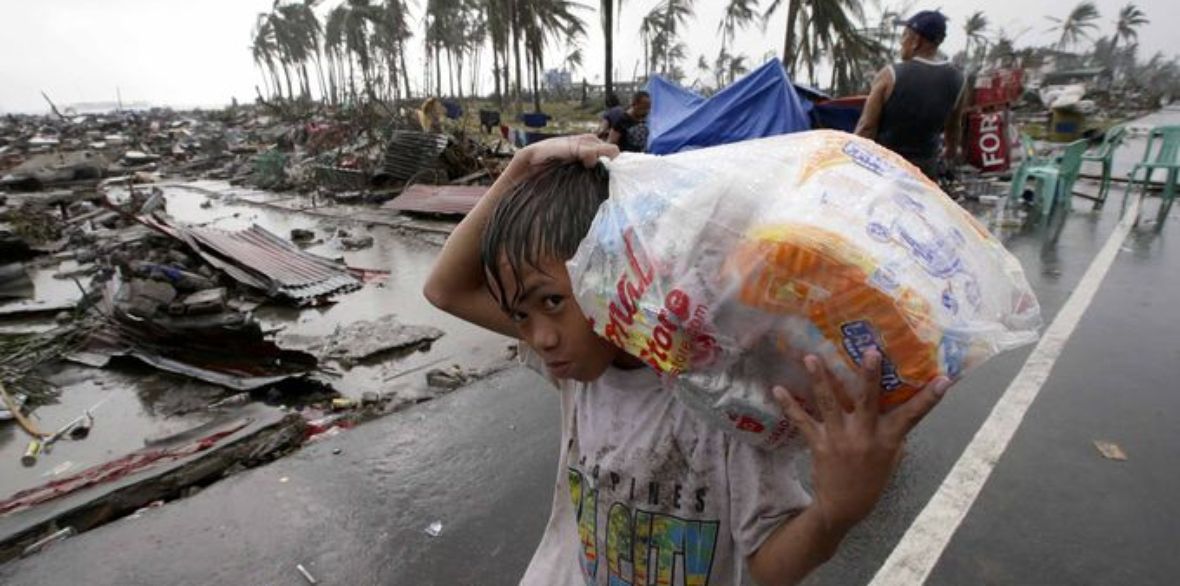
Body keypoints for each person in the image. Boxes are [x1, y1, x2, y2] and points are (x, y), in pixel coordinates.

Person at [423, 135, 951, 585]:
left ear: (607, 275)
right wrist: (519, 169)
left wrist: (835, 512)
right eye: (520, 316)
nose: (539, 336)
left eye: (552, 302)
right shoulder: (581, 371)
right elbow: (445, 289)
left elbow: (770, 564)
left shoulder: (724, 399)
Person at [855, 10, 967, 180]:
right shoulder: (959, 80)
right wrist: (950, 152)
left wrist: (852, 162)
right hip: (925, 173)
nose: (901, 42)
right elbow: (954, 128)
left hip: (886, 171)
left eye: (904, 36)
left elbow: (867, 127)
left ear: (916, 41)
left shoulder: (891, 75)